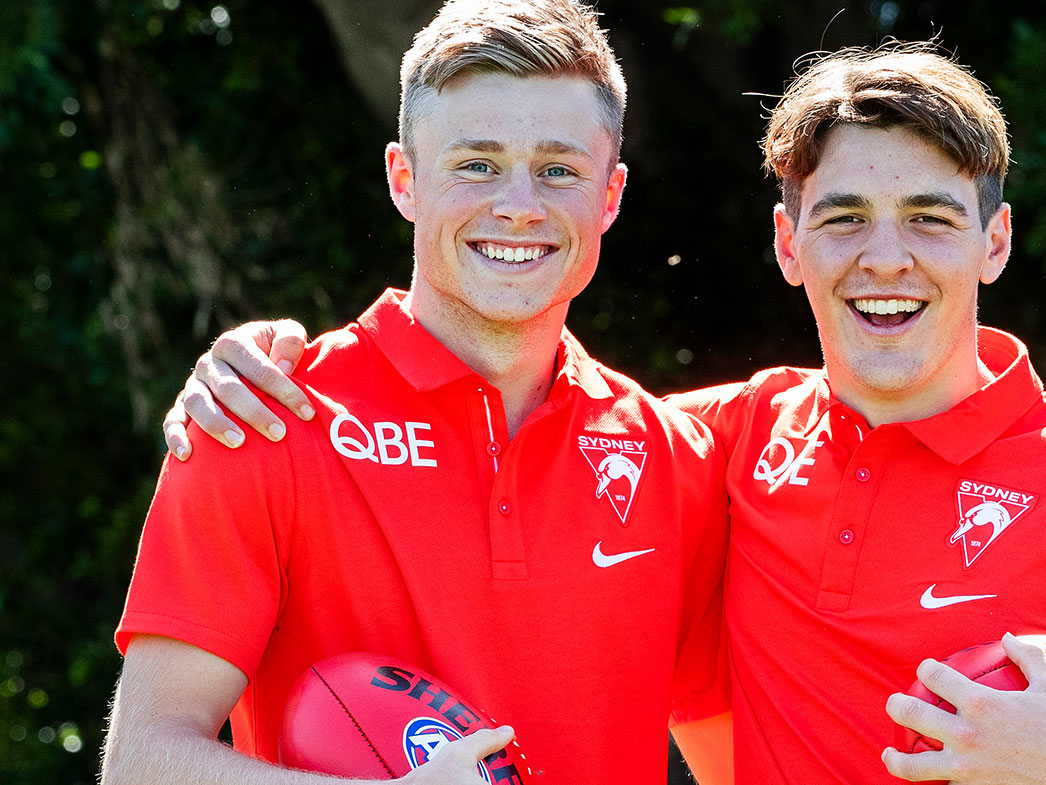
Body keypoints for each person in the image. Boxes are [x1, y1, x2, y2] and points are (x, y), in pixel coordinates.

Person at [159, 37, 1046, 785]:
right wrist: (252, 363)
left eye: (931, 219)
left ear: (993, 240)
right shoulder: (722, 445)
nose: (884, 257)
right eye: (842, 216)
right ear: (786, 244)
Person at [101, 3, 733, 785]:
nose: (519, 204)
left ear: (610, 194)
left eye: (559, 169)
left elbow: (738, 765)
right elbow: (142, 762)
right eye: (477, 163)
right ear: (404, 178)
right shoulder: (262, 417)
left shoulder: (679, 459)